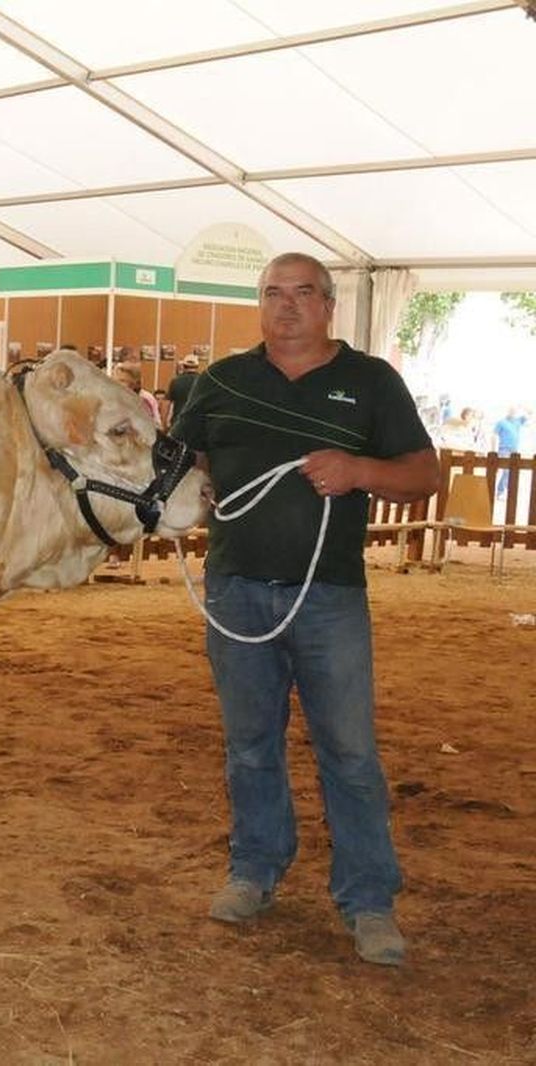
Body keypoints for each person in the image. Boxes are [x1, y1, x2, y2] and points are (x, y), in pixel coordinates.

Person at [170, 252, 438, 967]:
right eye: (273, 294)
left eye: (302, 294)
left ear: (328, 306)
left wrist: (358, 472)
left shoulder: (370, 381)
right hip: (235, 590)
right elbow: (187, 466)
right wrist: (182, 496)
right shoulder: (222, 381)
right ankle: (254, 872)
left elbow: (424, 474)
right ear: (259, 303)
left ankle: (369, 900)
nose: (286, 307)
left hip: (330, 596)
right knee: (250, 746)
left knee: (349, 754)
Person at [491, 407, 527, 499]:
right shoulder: (501, 422)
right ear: (507, 411)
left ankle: (502, 491)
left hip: (514, 451)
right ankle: (500, 491)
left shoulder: (518, 421)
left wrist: (524, 406)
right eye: (511, 410)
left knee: (510, 471)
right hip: (504, 449)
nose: (513, 412)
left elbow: (529, 414)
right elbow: (494, 435)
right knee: (505, 470)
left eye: (514, 410)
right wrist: (493, 450)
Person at [164, 353, 203, 427]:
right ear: (197, 366)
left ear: (184, 366)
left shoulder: (175, 381)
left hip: (178, 422)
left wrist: (164, 423)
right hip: (196, 424)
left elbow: (166, 404)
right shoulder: (202, 381)